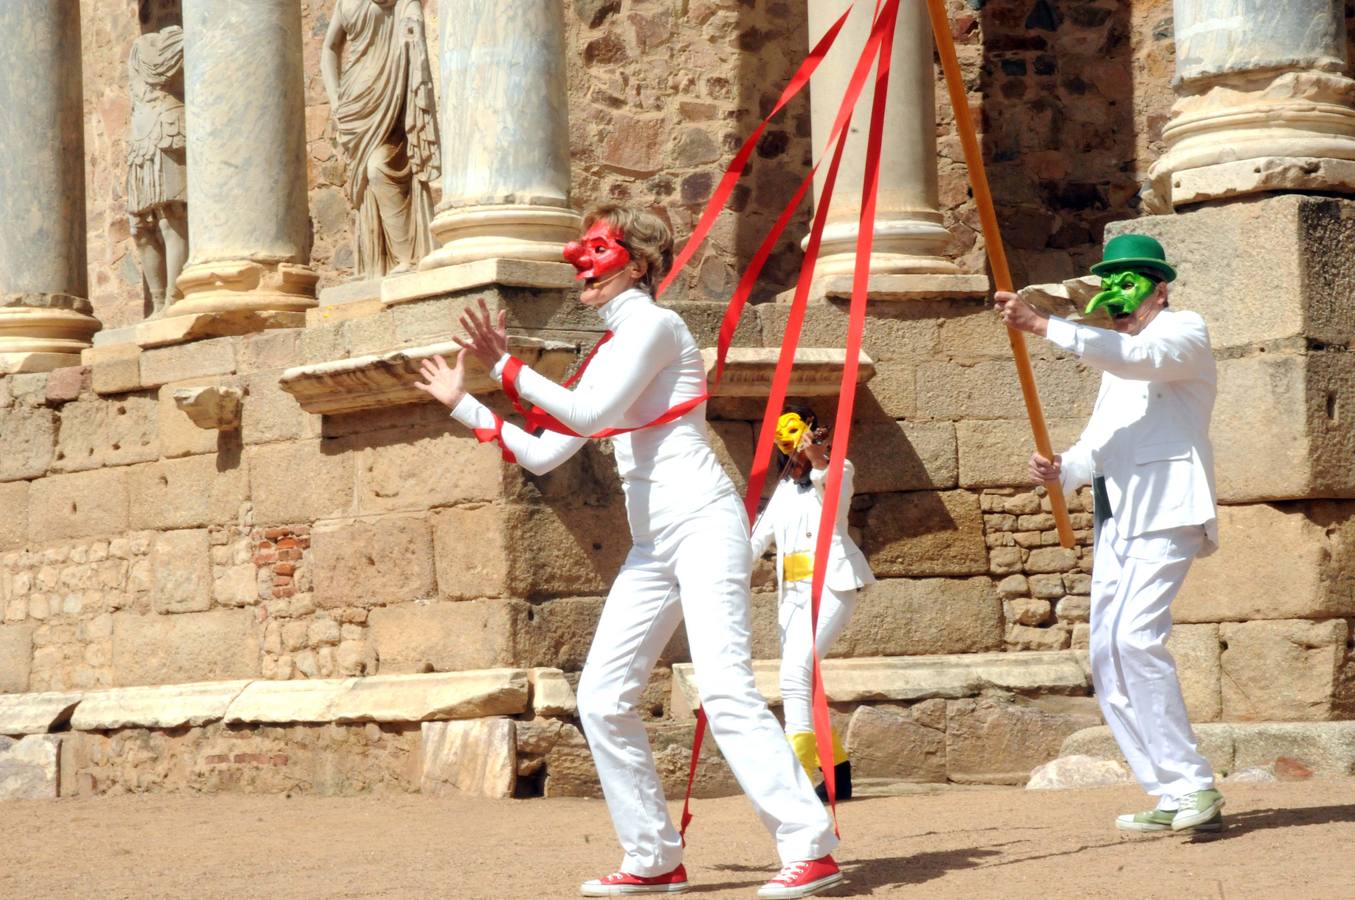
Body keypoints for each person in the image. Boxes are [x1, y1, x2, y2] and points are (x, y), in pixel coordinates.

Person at [414, 206, 844, 898]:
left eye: (597, 249)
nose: (579, 261)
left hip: (704, 523)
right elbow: (550, 452)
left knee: (725, 686)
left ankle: (809, 845)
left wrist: (509, 365)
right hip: (654, 545)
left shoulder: (655, 325)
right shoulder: (608, 351)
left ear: (638, 264)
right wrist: (467, 402)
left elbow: (585, 418)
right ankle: (652, 856)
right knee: (602, 696)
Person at [994, 233, 1224, 834]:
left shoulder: (1183, 333)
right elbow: (1101, 441)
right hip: (1119, 516)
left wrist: (1044, 326)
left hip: (1168, 508)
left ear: (1160, 287)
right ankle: (1169, 789)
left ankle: (1194, 783)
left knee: (1136, 640)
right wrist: (1062, 468)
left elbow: (1142, 360)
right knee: (1106, 653)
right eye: (1110, 281)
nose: (1118, 293)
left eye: (1131, 280)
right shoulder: (1114, 359)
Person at [751, 405, 874, 802]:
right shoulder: (784, 490)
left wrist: (819, 455)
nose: (794, 452)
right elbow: (757, 539)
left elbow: (831, 484)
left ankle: (797, 774)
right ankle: (837, 770)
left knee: (796, 670)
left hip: (832, 584)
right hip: (793, 593)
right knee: (799, 677)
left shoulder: (839, 469)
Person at [321, 0, 440, 278]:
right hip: (354, 104)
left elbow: (412, 19)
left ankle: (408, 258)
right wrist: (335, 100)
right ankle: (376, 267)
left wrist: (414, 31)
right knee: (365, 184)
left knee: (378, 169)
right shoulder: (345, 3)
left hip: (390, 94)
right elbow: (329, 48)